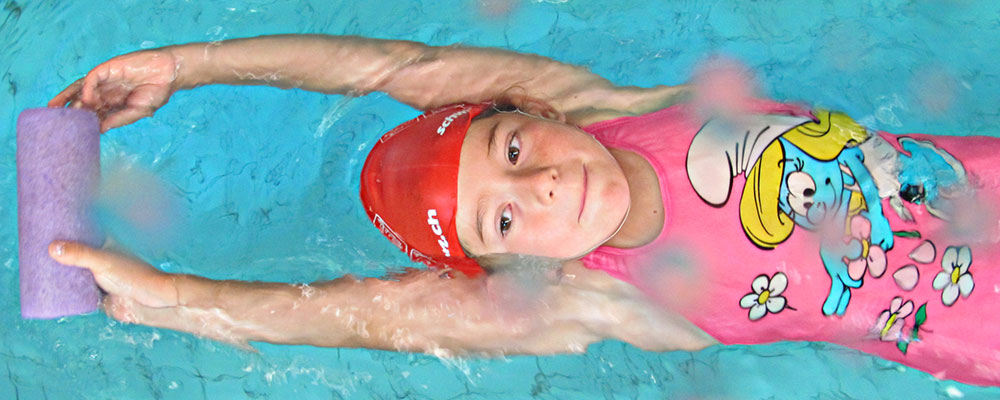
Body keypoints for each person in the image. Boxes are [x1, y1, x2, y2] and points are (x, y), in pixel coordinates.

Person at [47, 34, 999, 386]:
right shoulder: (593, 297)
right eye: (502, 223)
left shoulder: (611, 112)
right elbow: (351, 315)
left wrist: (186, 65)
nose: (541, 185)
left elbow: (396, 69)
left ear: (532, 111)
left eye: (510, 150)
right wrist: (173, 298)